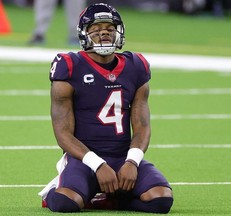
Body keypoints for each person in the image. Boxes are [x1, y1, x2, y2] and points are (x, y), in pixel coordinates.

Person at [38, 3, 174, 214]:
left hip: (122, 156)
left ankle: (111, 200)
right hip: (83, 159)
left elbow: (142, 126)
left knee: (161, 200)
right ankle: (54, 191)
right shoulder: (69, 66)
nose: (104, 34)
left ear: (119, 32)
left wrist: (132, 161)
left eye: (110, 29)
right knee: (67, 203)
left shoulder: (136, 65)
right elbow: (62, 134)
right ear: (84, 34)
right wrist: (98, 165)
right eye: (96, 30)